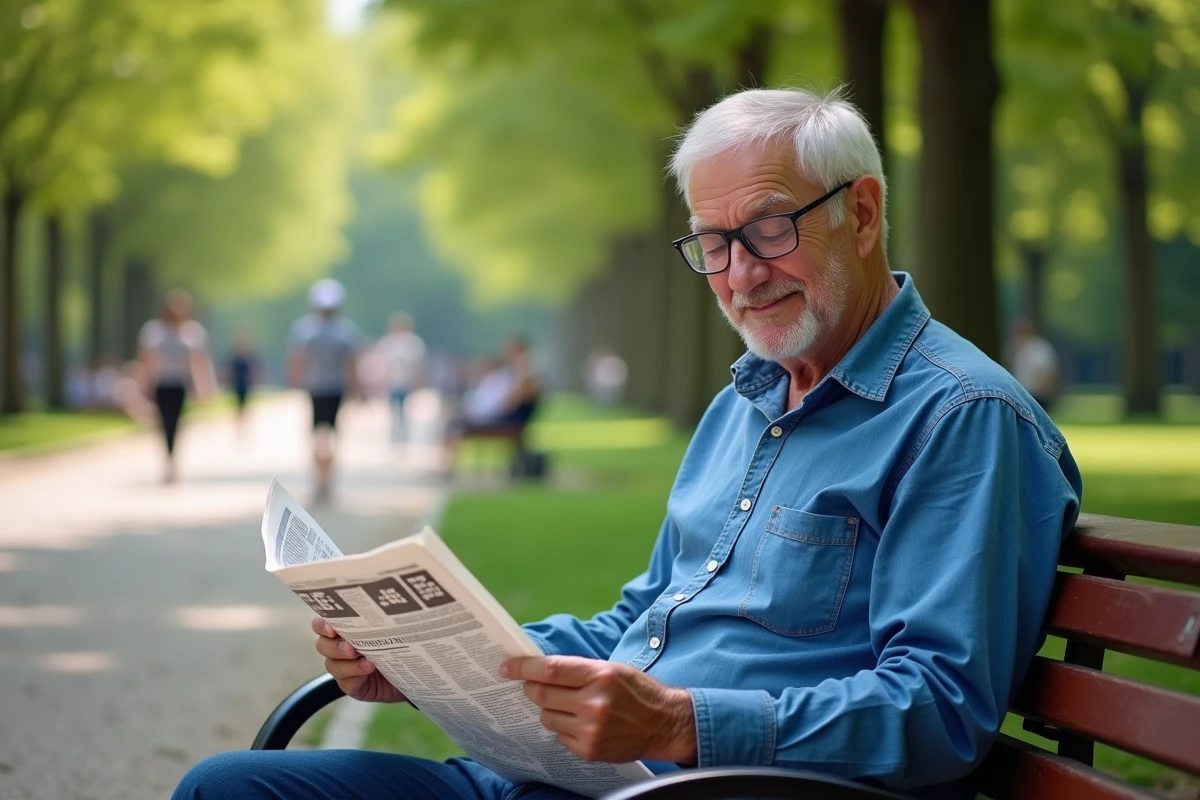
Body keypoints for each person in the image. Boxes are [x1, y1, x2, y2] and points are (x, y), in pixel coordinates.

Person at [174, 87, 1082, 799]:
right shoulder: (744, 402)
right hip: (582, 779)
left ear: (865, 213)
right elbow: (644, 619)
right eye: (713, 244)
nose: (741, 274)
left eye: (768, 228)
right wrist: (425, 664)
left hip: (707, 788)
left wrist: (683, 724)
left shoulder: (962, 419)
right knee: (229, 788)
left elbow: (938, 710)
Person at [287, 278, 363, 502]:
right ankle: (324, 478)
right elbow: (351, 363)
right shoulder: (344, 330)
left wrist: (294, 382)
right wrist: (357, 389)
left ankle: (323, 478)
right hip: (328, 388)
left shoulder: (306, 329)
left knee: (321, 435)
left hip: (321, 388)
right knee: (327, 435)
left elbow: (297, 360)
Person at [137, 289, 217, 484]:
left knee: (176, 422)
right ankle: (168, 458)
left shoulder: (192, 333)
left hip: (179, 385)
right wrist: (143, 384)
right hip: (161, 384)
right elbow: (147, 360)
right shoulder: (154, 332)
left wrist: (204, 388)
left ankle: (172, 460)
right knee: (164, 422)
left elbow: (199, 363)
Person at [442, 336, 541, 472]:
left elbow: (509, 403)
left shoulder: (525, 375)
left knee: (457, 425)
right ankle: (447, 465)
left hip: (507, 420)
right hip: (502, 417)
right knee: (455, 424)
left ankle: (448, 467)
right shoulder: (512, 374)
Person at [375, 312, 427, 442]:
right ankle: (394, 436)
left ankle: (404, 436)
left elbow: (418, 366)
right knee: (393, 410)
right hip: (392, 383)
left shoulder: (413, 343)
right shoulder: (388, 343)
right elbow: (382, 365)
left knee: (405, 410)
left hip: (407, 383)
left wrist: (418, 383)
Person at [1008, 318, 1060, 412]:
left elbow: (1046, 373)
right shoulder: (1014, 349)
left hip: (1036, 394)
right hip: (1020, 392)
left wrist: (1044, 392)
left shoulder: (1039, 348)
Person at [226, 328, 262, 438]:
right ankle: (240, 426)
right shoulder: (234, 356)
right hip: (237, 385)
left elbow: (254, 370)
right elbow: (229, 371)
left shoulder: (249, 356)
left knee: (246, 406)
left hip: (246, 385)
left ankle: (245, 426)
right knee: (238, 406)